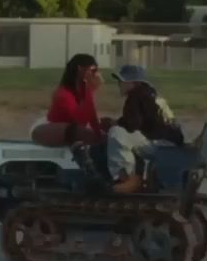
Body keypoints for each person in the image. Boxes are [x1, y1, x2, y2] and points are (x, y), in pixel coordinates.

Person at [106, 65, 184, 193]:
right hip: (170, 143)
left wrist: (114, 123)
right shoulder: (150, 93)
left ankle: (127, 179)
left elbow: (132, 125)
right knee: (126, 135)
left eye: (121, 81)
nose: (119, 84)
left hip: (161, 145)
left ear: (134, 83)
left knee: (116, 133)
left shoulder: (136, 95)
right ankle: (138, 175)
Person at [30, 54, 109, 147]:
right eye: (93, 70)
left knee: (105, 128)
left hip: (68, 127)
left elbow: (90, 116)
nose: (96, 74)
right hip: (46, 128)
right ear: (80, 69)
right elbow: (79, 121)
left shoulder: (81, 91)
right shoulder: (62, 94)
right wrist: (90, 89)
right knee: (80, 131)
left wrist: (101, 134)